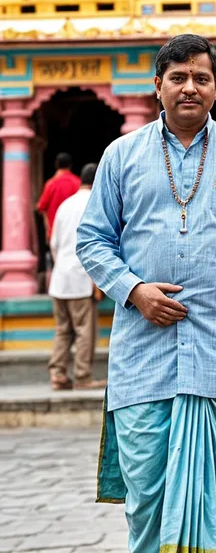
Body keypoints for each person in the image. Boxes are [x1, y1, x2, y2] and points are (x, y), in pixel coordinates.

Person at [76, 34, 216, 553]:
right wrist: (134, 289)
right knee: (149, 497)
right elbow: (91, 240)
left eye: (202, 79)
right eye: (179, 78)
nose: (190, 88)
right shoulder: (121, 155)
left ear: (215, 89)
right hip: (145, 360)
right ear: (157, 85)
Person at [48, 162, 105, 391]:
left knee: (63, 329)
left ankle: (58, 374)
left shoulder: (65, 205)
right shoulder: (94, 203)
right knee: (84, 330)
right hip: (81, 277)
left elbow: (54, 243)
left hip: (60, 277)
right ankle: (82, 376)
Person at [37, 152, 80, 240]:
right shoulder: (78, 183)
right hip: (75, 232)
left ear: (56, 164)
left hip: (55, 232)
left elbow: (41, 207)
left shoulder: (51, 184)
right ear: (70, 165)